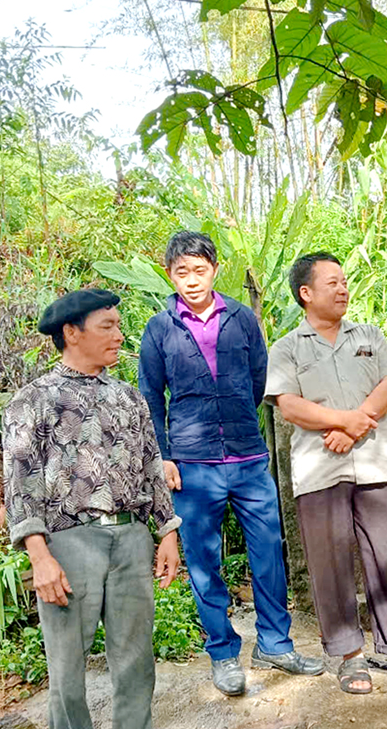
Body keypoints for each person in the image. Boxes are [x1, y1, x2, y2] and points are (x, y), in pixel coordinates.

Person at [3, 288, 179, 729]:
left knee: (135, 661)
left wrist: (167, 532)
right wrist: (39, 555)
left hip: (130, 539)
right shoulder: (32, 400)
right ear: (72, 333)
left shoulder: (128, 398)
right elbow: (19, 483)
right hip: (67, 545)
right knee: (67, 668)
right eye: (107, 326)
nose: (119, 335)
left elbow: (152, 465)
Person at [138, 231, 325, 697]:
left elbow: (261, 379)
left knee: (269, 550)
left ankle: (276, 645)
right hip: (193, 463)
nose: (192, 281)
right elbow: (149, 396)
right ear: (170, 274)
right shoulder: (160, 328)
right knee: (204, 562)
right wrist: (163, 456)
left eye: (199, 271)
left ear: (214, 270)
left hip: (247, 457)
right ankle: (222, 654)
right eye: (182, 272)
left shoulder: (241, 319)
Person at [265, 252, 387, 695]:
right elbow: (288, 405)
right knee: (329, 563)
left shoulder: (368, 334)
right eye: (332, 283)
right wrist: (343, 423)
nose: (343, 289)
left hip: (375, 462)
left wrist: (355, 422)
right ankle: (348, 656)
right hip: (318, 469)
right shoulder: (287, 347)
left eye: (345, 282)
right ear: (306, 293)